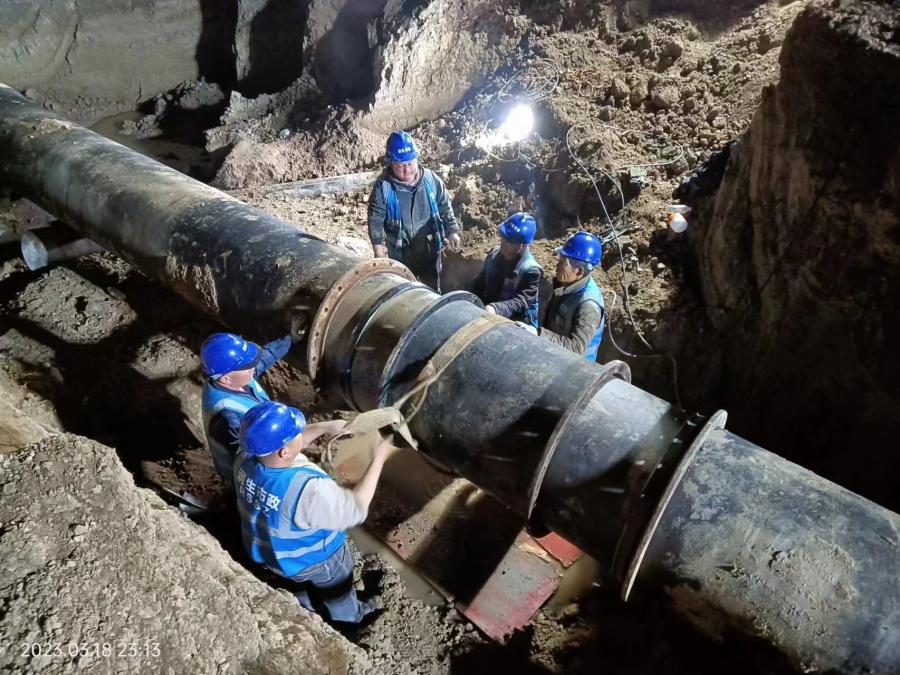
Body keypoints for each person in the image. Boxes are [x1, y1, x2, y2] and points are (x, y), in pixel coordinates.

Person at [235, 401, 394, 624]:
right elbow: (356, 510)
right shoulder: (306, 491)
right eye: (296, 433)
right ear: (284, 451)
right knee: (337, 590)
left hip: (272, 555)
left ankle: (307, 609)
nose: (301, 433)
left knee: (299, 586)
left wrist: (326, 427)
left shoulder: (245, 457)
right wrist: (379, 458)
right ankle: (350, 620)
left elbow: (287, 450)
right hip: (318, 559)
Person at [367, 130, 461, 291]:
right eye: (399, 166)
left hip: (428, 247)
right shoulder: (384, 187)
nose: (406, 170)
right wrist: (377, 247)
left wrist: (452, 230)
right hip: (399, 251)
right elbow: (375, 218)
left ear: (417, 158)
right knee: (402, 289)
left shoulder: (430, 180)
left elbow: (444, 205)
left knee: (432, 287)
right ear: (390, 164)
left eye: (410, 164)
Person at [200, 332, 292, 487]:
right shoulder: (227, 418)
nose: (253, 368)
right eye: (247, 366)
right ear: (226, 378)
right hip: (243, 477)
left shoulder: (233, 377)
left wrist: (289, 339)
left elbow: (263, 359)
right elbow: (254, 460)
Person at [538, 231, 605, 361]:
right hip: (554, 352)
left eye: (563, 262)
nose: (557, 265)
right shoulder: (566, 284)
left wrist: (539, 334)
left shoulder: (589, 306)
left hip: (574, 367)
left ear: (579, 271)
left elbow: (576, 348)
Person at [471, 212, 543, 328]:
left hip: (517, 326)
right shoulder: (493, 255)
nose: (503, 243)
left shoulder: (531, 270)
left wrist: (496, 309)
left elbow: (521, 302)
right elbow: (480, 282)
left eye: (509, 240)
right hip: (490, 315)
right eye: (503, 237)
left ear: (522, 245)